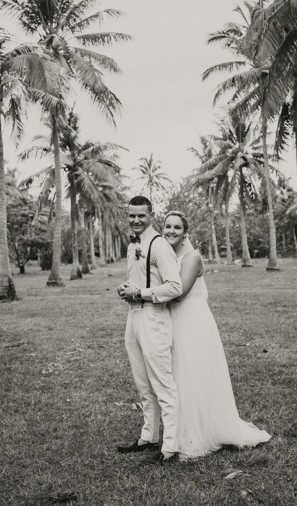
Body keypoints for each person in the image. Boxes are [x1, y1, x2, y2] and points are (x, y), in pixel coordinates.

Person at [163, 210, 271, 459]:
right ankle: (182, 430)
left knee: (194, 373)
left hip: (191, 318)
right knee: (178, 374)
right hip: (173, 320)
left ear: (185, 232)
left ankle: (199, 434)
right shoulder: (166, 255)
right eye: (167, 226)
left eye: (177, 227)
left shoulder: (192, 257)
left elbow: (178, 292)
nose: (171, 231)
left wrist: (145, 294)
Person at [116, 196, 182, 465]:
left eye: (141, 216)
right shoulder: (134, 245)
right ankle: (149, 436)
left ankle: (170, 447)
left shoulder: (159, 245)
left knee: (163, 385)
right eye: (131, 215)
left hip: (153, 319)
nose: (135, 220)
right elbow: (138, 279)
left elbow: (174, 286)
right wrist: (126, 288)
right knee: (143, 384)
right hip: (134, 318)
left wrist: (139, 292)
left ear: (151, 215)